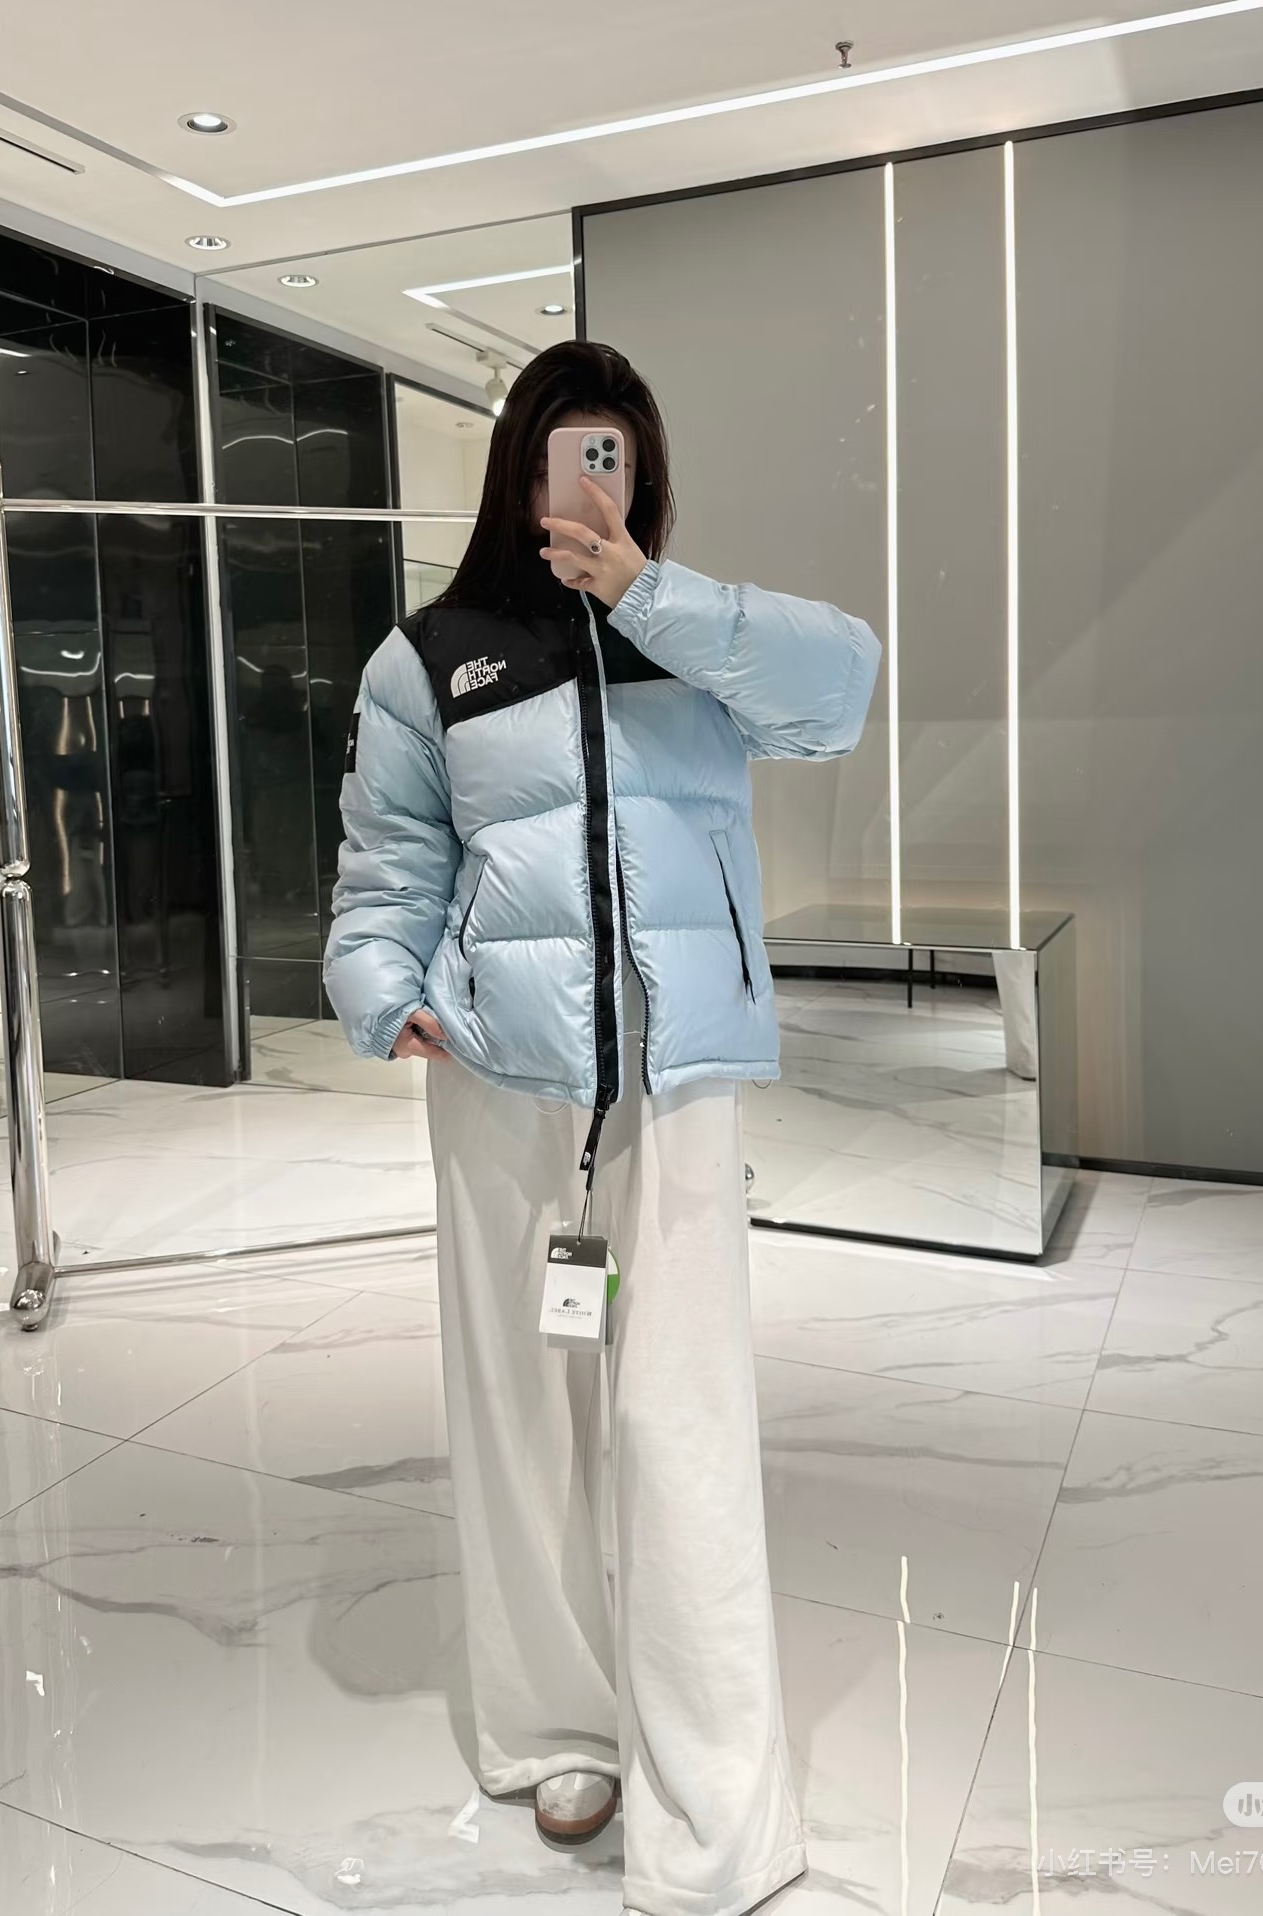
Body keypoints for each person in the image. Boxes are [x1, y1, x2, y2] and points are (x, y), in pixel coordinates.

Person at [325, 340, 881, 1916]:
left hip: (675, 1081)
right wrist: (381, 988)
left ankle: (713, 1804)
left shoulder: (696, 633)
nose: (588, 483)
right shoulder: (432, 656)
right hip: (501, 1078)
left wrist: (650, 595)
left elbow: (843, 688)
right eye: (567, 454)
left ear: (644, 472)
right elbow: (390, 860)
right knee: (522, 1418)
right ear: (519, 469)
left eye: (615, 455)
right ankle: (559, 1728)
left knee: (680, 1423)